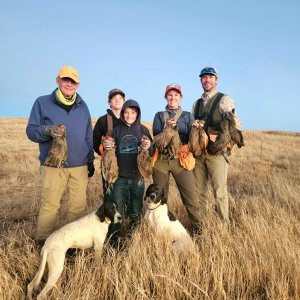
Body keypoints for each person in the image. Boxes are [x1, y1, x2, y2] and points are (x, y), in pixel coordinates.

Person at [26, 66, 94, 244]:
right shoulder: (42, 103)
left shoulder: (83, 106)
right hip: (53, 166)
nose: (69, 84)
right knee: (50, 206)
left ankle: (72, 244)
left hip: (79, 166)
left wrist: (90, 160)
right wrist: (48, 130)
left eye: (73, 81)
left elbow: (88, 135)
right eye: (66, 80)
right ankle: (43, 242)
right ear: (58, 80)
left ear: (77, 84)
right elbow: (31, 131)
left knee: (77, 208)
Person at [192, 66, 241, 222]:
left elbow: (235, 124)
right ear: (201, 80)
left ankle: (223, 227)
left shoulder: (224, 99)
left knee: (219, 192)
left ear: (216, 80)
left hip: (217, 154)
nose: (207, 80)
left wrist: (224, 141)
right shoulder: (196, 104)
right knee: (199, 192)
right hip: (199, 154)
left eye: (210, 77)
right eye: (204, 77)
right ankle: (200, 225)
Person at [103, 99, 154, 247]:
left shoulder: (143, 130)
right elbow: (108, 148)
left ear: (137, 113)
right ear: (123, 113)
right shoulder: (116, 130)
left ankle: (133, 240)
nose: (129, 115)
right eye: (126, 112)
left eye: (132, 112)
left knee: (136, 209)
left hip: (137, 177)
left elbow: (151, 151)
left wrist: (148, 145)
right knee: (117, 210)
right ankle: (113, 242)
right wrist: (107, 145)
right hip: (119, 178)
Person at [152, 83, 202, 234]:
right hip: (161, 161)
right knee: (161, 199)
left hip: (180, 160)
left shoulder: (187, 116)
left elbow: (191, 138)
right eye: (170, 95)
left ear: (180, 97)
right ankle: (164, 231)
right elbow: (156, 138)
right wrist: (167, 129)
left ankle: (198, 230)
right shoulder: (159, 115)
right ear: (166, 97)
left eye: (176, 95)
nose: (173, 97)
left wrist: (196, 128)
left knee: (190, 198)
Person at [93, 88, 125, 155]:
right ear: (109, 102)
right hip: (109, 161)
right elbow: (94, 141)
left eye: (120, 98)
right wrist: (104, 148)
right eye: (114, 98)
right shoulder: (102, 120)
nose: (117, 100)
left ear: (124, 101)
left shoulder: (130, 119)